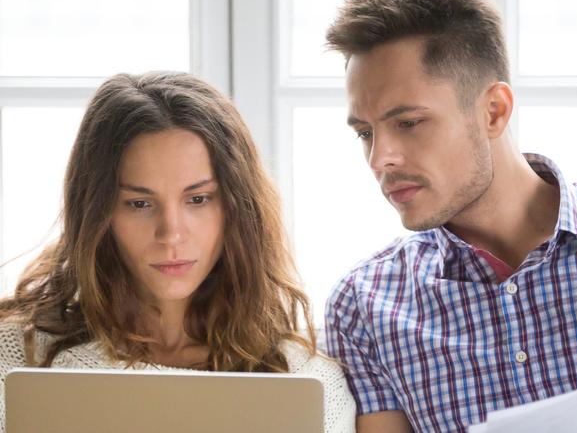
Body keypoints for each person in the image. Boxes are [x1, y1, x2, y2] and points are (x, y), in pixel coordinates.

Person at [324, 0, 577, 433]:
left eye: (409, 123)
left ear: (493, 110)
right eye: (365, 133)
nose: (381, 159)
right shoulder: (364, 306)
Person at [0, 72, 356, 432]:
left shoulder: (305, 379)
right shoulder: (20, 356)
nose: (171, 234)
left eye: (198, 199)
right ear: (97, 214)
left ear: (238, 207)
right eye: (139, 203)